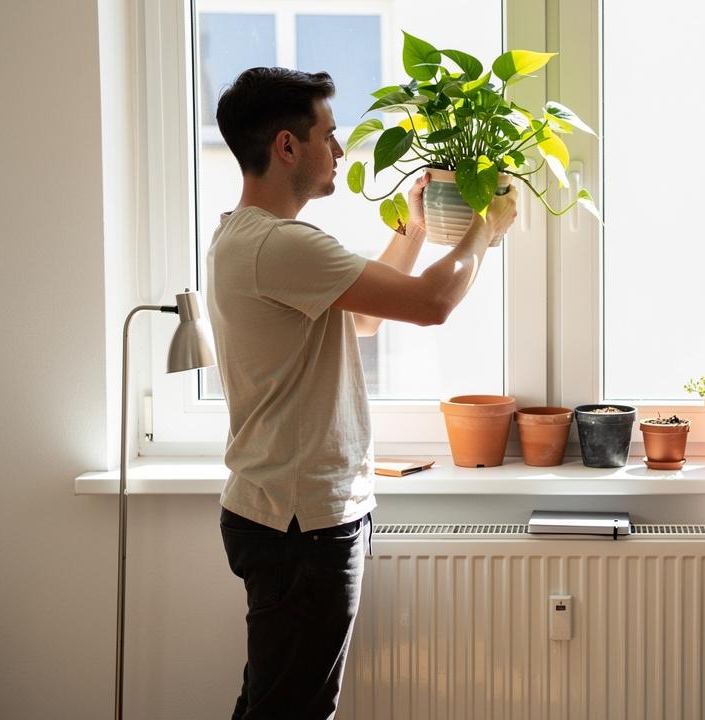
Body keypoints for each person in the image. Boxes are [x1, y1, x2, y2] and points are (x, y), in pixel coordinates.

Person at [207, 67, 517, 719]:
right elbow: (431, 303)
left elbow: (367, 318)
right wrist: (484, 226)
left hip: (287, 512)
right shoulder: (282, 245)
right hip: (300, 522)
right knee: (293, 709)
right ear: (288, 146)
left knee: (275, 699)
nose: (342, 151)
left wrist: (412, 230)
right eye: (330, 134)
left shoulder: (247, 238)